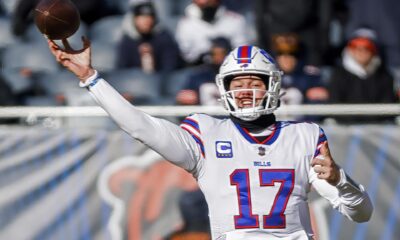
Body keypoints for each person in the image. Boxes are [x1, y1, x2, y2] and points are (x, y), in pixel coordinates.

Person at [47, 38, 373, 239]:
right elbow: (139, 126)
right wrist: (91, 78)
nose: (245, 92)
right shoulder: (206, 133)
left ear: (273, 86)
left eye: (254, 82)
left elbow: (361, 213)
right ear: (223, 89)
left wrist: (342, 179)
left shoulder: (304, 135)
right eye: (237, 83)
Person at [328, 27, 398, 123]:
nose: (361, 51)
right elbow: (334, 106)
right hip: (344, 129)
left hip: (377, 130)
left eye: (367, 47)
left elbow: (387, 109)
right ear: (349, 49)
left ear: (374, 50)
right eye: (355, 46)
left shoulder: (385, 76)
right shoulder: (338, 75)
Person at [175, 0, 250, 66]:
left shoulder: (236, 20)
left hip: (231, 67)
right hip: (199, 70)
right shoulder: (185, 24)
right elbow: (186, 56)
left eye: (209, 1)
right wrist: (206, 56)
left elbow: (243, 53)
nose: (205, 2)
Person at [116, 1, 182, 74]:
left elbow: (170, 68)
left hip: (161, 81)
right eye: (142, 17)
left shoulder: (164, 37)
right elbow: (122, 70)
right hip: (134, 81)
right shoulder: (127, 40)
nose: (146, 21)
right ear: (134, 19)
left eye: (150, 17)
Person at [176, 36, 231, 106]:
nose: (218, 57)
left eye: (221, 53)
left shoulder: (236, 75)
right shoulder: (199, 75)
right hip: (204, 113)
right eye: (214, 54)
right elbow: (183, 98)